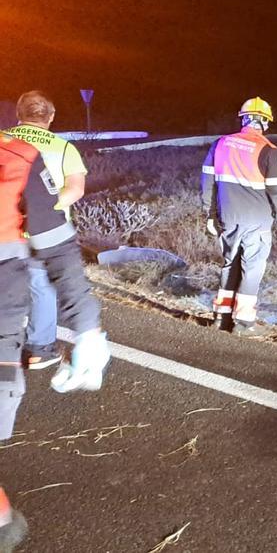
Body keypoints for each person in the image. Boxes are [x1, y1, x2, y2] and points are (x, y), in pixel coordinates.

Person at [1, 129, 112, 552]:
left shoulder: (20, 157)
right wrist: (87, 331)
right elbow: (59, 250)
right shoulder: (20, 156)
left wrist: (86, 328)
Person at [5, 91, 88, 370]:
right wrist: (43, 209)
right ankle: (40, 349)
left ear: (19, 115)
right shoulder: (64, 148)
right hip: (46, 232)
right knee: (42, 286)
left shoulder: (4, 140)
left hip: (6, 227)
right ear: (50, 117)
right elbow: (76, 189)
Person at [200, 97, 277, 337]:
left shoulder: (220, 143)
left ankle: (221, 317)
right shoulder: (269, 150)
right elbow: (276, 190)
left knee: (230, 263)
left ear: (243, 119)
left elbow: (207, 180)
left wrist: (209, 214)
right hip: (257, 219)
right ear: (265, 123)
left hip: (228, 216)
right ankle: (244, 322)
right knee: (253, 268)